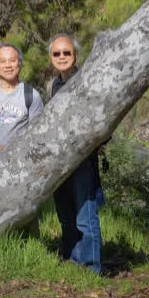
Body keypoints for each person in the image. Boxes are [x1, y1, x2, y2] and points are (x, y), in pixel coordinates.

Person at [47, 34, 103, 274]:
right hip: (58, 161)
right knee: (66, 214)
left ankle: (91, 267)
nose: (62, 57)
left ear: (75, 56)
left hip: (81, 159)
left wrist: (99, 142)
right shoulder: (52, 86)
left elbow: (103, 115)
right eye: (57, 53)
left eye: (66, 53)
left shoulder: (88, 80)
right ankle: (72, 260)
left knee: (85, 215)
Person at [0, 44, 43, 168]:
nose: (8, 65)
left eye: (12, 61)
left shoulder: (32, 95)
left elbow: (36, 132)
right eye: (3, 61)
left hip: (20, 161)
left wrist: (11, 152)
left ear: (19, 64)